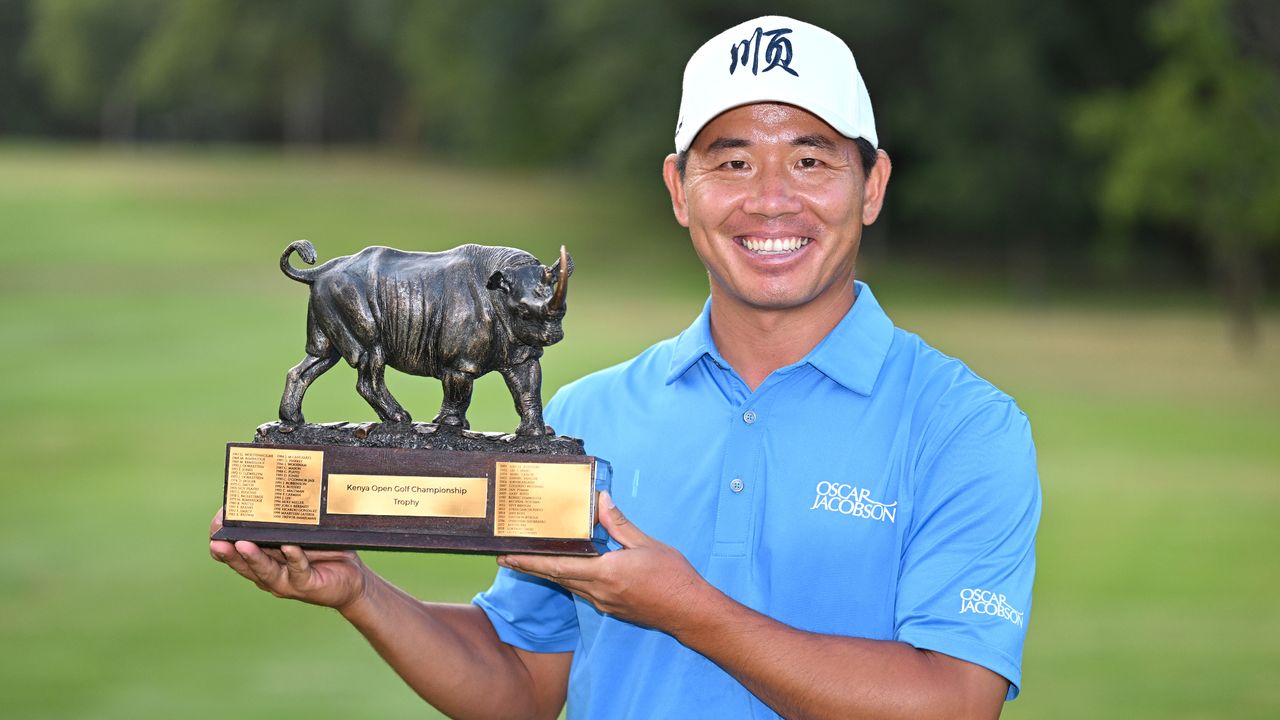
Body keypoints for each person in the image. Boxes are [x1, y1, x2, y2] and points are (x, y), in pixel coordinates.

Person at [210, 15, 1041, 719]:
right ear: (681, 190)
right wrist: (359, 592)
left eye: (813, 159)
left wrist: (689, 612)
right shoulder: (589, 414)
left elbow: (954, 700)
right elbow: (526, 678)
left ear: (872, 185)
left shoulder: (964, 425)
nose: (772, 197)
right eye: (733, 160)